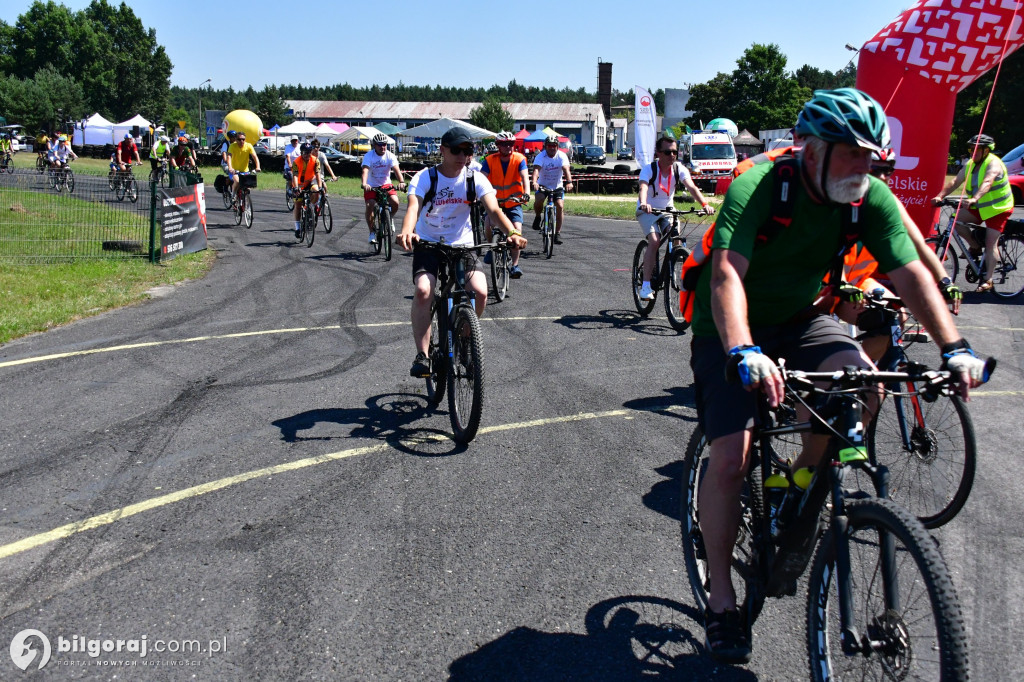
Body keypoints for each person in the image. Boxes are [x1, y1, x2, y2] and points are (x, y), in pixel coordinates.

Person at [688, 88, 990, 664]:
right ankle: (723, 599)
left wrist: (955, 346)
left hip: (803, 319)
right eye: (852, 154)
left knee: (862, 383)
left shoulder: (867, 196)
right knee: (732, 458)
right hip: (728, 326)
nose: (866, 166)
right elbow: (726, 274)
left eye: (871, 155)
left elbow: (910, 273)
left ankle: (799, 482)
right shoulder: (760, 186)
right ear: (812, 150)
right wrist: (743, 349)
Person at [397, 127, 528, 378]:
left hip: (463, 245)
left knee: (480, 292)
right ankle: (423, 356)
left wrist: (512, 233)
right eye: (456, 150)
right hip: (429, 242)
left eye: (467, 150)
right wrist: (406, 231)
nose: (462, 155)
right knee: (424, 290)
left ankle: (465, 340)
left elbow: (494, 211)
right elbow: (413, 207)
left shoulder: (475, 178)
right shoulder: (426, 177)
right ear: (442, 150)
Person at [931, 133, 1015, 293]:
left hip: (998, 208)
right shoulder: (970, 164)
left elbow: (987, 182)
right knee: (955, 221)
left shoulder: (994, 164)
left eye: (976, 149)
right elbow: (956, 181)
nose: (972, 152)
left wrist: (974, 198)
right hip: (979, 205)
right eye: (970, 149)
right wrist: (940, 196)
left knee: (991, 244)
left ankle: (988, 279)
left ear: (986, 150)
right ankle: (975, 246)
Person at [636, 136, 714, 299]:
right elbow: (643, 187)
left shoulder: (679, 169)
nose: (672, 155)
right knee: (655, 241)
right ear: (658, 153)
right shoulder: (649, 169)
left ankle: (671, 268)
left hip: (667, 210)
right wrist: (644, 203)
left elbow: (691, 187)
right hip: (648, 210)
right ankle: (645, 285)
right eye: (667, 152)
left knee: (676, 239)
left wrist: (704, 204)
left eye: (674, 152)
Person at [480, 131, 531, 277]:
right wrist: (479, 195)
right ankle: (491, 248)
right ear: (498, 145)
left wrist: (526, 192)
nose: (508, 147)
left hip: (513, 202)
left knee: (517, 230)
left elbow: (524, 177)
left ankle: (515, 265)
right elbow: (482, 179)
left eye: (510, 144)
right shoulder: (489, 160)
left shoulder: (519, 159)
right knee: (488, 225)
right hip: (494, 202)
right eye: (504, 144)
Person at [361, 132, 406, 245]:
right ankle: (372, 232)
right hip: (372, 185)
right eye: (380, 144)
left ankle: (389, 218)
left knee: (395, 202)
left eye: (384, 144)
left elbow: (396, 170)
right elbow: (365, 171)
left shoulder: (390, 155)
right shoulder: (369, 156)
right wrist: (364, 183)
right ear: (374, 145)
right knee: (370, 205)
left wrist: (401, 182)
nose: (383, 147)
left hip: (386, 184)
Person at [530, 135, 573, 243]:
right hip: (543, 185)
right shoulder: (540, 156)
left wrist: (569, 182)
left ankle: (557, 233)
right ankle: (538, 216)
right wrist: (534, 182)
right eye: (549, 145)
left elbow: (566, 170)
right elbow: (536, 171)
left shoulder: (562, 156)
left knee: (559, 205)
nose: (552, 148)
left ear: (557, 146)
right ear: (545, 146)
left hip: (557, 186)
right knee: (539, 200)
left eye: (554, 145)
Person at [290, 143, 322, 239]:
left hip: (309, 182)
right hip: (299, 184)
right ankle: (297, 228)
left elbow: (318, 174)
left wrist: (320, 186)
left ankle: (310, 208)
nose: (307, 155)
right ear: (301, 153)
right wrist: (296, 187)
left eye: (309, 152)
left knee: (316, 190)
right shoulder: (296, 162)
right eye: (305, 153)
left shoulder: (315, 160)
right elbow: (295, 176)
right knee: (298, 205)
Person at [226, 131, 261, 202]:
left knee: (248, 187)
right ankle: (233, 194)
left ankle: (244, 202)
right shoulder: (232, 146)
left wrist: (258, 167)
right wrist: (230, 167)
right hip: (234, 170)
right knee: (238, 181)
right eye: (239, 139)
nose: (241, 141)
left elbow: (255, 157)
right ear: (236, 139)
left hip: (245, 171)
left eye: (243, 139)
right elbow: (229, 157)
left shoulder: (248, 146)